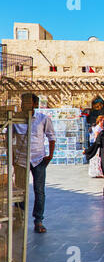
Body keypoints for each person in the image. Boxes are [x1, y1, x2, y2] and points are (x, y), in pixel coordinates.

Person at [13, 93, 56, 233]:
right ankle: (19, 218)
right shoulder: (15, 120)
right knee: (19, 190)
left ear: (35, 104)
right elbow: (9, 135)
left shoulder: (43, 119)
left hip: (38, 159)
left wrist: (50, 155)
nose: (24, 104)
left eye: (28, 102)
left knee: (39, 191)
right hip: (21, 160)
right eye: (23, 101)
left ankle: (38, 221)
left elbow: (51, 136)